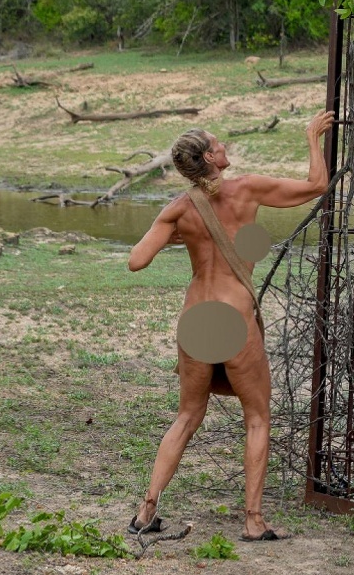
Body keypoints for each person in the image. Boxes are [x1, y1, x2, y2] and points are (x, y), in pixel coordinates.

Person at [124, 111, 333, 541]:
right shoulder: (248, 189)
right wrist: (313, 137)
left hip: (196, 319)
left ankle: (146, 511)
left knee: (187, 416)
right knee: (256, 417)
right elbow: (317, 185)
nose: (224, 147)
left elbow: (136, 261)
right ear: (209, 157)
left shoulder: (178, 208)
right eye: (218, 143)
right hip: (234, 318)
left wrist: (180, 235)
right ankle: (253, 521)